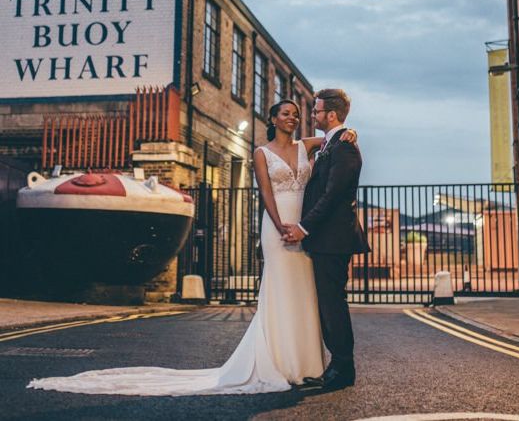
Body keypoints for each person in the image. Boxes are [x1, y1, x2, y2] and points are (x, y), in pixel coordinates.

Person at [27, 98, 358, 396]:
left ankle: (309, 367)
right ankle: (281, 364)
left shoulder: (307, 145)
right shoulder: (261, 152)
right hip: (279, 227)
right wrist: (279, 225)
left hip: (304, 226)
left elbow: (335, 138)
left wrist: (350, 131)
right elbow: (265, 194)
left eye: (297, 114)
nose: (293, 118)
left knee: (306, 295)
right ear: (272, 119)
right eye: (286, 113)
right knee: (281, 291)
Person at [282, 87, 369, 392]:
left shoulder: (344, 148)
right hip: (325, 240)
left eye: (316, 111)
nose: (313, 115)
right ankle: (338, 364)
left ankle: (343, 367)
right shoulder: (333, 143)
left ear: (331, 114)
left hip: (332, 239)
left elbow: (332, 196)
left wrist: (303, 228)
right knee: (328, 303)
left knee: (333, 304)